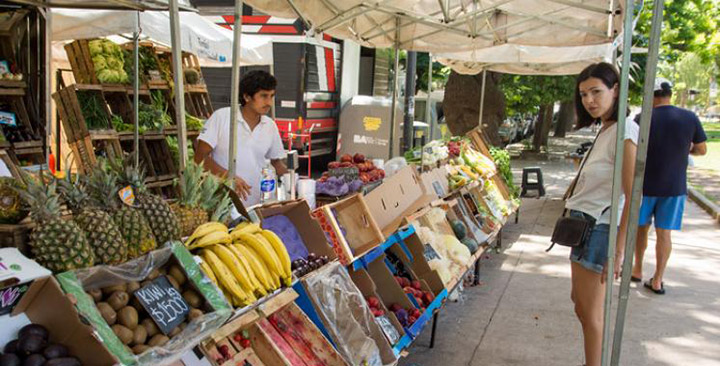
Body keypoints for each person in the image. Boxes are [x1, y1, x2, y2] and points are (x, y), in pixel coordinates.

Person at [565, 62, 638, 366]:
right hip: (583, 225)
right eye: (583, 95)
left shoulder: (624, 130)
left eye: (596, 92)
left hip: (599, 228)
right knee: (581, 306)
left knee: (590, 312)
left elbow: (633, 194)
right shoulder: (607, 129)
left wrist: (619, 250)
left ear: (616, 90)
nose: (589, 100)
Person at [631, 78, 707, 295]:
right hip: (674, 187)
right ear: (670, 94)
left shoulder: (642, 118)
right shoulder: (690, 117)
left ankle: (636, 269)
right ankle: (658, 279)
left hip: (644, 185)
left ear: (652, 96)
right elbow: (701, 150)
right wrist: (685, 149)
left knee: (640, 229)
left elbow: (632, 147)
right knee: (665, 234)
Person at [195, 70, 288, 207]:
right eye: (263, 96)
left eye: (271, 96)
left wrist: (296, 181)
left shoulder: (270, 125)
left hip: (259, 204)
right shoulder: (222, 117)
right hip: (224, 204)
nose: (269, 102)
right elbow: (200, 157)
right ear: (247, 97)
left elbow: (276, 162)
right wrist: (228, 177)